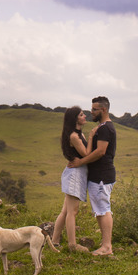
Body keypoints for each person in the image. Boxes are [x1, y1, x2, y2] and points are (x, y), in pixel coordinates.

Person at [68, 95, 116, 256]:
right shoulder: (103, 127)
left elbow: (100, 152)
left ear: (103, 109)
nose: (91, 112)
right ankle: (105, 244)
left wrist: (81, 162)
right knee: (100, 209)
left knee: (103, 209)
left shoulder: (104, 129)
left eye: (94, 109)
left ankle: (107, 247)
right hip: (99, 176)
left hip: (102, 176)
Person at [51, 106, 89, 251]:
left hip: (76, 173)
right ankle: (72, 245)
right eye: (81, 114)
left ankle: (54, 241)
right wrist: (93, 139)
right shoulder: (74, 136)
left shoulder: (79, 134)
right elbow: (86, 154)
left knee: (66, 211)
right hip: (75, 174)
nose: (84, 116)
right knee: (72, 211)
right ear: (75, 119)